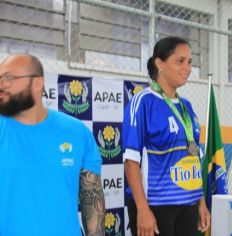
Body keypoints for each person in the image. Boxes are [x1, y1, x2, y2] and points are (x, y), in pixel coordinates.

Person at [0, 54, 105, 235]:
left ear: (37, 83)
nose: (1, 85)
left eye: (8, 78)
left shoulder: (78, 132)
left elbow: (92, 203)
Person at [122, 36, 210, 236]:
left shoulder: (187, 107)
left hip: (188, 204)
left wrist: (201, 202)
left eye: (189, 62)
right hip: (155, 206)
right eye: (180, 61)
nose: (187, 68)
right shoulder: (142, 102)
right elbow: (131, 161)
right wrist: (143, 210)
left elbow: (193, 156)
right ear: (160, 64)